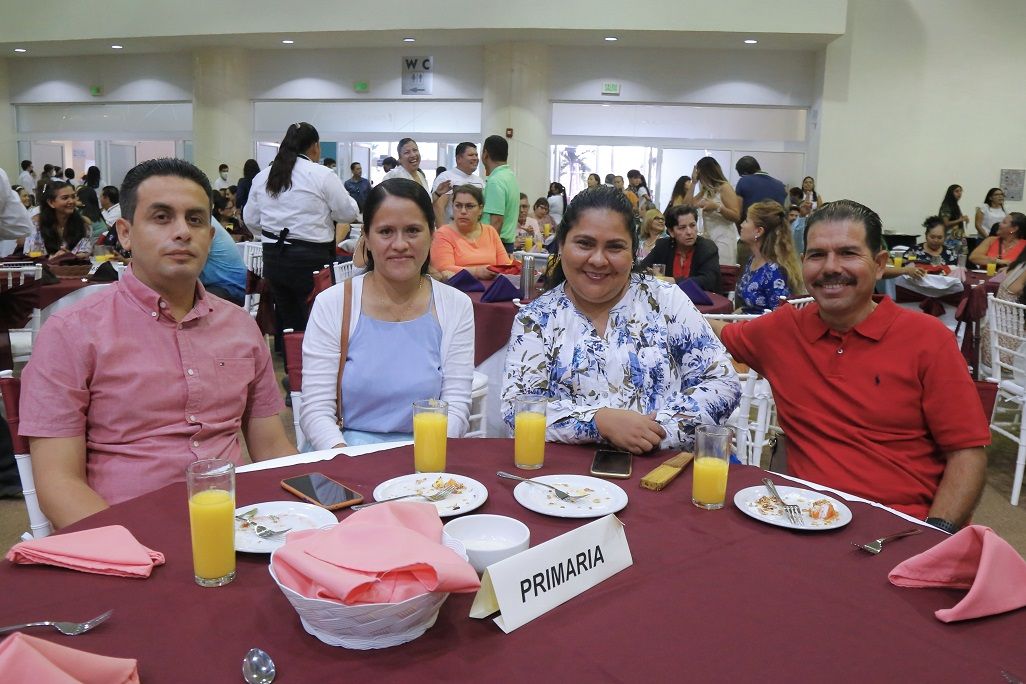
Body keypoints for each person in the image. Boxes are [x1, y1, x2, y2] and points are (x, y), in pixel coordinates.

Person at [20, 158, 295, 528]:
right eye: (162, 217)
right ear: (126, 233)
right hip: (124, 534)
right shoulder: (73, 332)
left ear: (210, 237)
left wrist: (313, 513)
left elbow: (273, 448)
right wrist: (133, 550)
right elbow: (58, 483)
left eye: (196, 219)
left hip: (234, 528)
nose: (182, 232)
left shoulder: (240, 327)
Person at [715, 200, 989, 527]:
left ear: (879, 264)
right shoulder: (783, 329)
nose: (831, 267)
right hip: (805, 521)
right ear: (803, 263)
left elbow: (967, 455)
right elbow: (713, 328)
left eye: (848, 253)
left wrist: (934, 535)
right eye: (817, 255)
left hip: (899, 529)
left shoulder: (929, 340)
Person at [501, 186, 740, 454]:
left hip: (664, 473)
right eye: (584, 244)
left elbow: (722, 383)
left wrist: (650, 432)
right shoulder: (537, 318)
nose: (598, 259)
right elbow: (517, 409)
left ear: (634, 251)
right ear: (561, 245)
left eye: (615, 247)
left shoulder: (665, 301)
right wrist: (598, 422)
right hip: (565, 484)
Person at [301, 178, 474, 449]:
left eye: (413, 230)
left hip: (426, 456)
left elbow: (456, 406)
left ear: (432, 233)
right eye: (385, 232)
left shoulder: (456, 306)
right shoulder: (332, 304)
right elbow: (316, 410)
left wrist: (427, 462)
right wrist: (345, 460)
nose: (400, 244)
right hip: (345, 454)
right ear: (366, 238)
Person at [244, 122, 360, 332]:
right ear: (315, 146)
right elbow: (348, 212)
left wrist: (274, 231)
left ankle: (291, 362)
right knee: (316, 318)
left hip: (274, 257)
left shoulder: (263, 176)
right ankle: (314, 362)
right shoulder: (321, 174)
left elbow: (251, 219)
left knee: (288, 318)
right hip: (311, 259)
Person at [430, 184, 511, 280]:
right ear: (452, 207)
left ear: (480, 209)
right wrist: (477, 272)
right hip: (458, 290)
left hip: (493, 289)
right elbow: (443, 269)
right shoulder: (443, 234)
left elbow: (505, 265)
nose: (463, 211)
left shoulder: (490, 231)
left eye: (469, 206)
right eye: (458, 206)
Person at [735, 200, 803, 313]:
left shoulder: (774, 273)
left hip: (762, 328)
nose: (741, 224)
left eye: (746, 220)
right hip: (746, 323)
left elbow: (779, 318)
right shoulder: (753, 260)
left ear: (759, 231)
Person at [640, 205, 720, 292]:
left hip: (700, 302)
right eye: (682, 228)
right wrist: (650, 273)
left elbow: (708, 281)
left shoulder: (707, 247)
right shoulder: (663, 245)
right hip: (669, 300)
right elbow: (641, 268)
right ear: (671, 232)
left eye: (692, 225)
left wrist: (671, 281)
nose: (689, 232)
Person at [686, 156, 742, 265]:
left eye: (700, 174)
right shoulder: (706, 190)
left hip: (724, 238)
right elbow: (687, 206)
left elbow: (736, 215)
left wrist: (717, 207)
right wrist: (693, 182)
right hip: (708, 238)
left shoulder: (724, 187)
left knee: (721, 270)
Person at [481, 134, 520, 253]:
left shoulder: (496, 180)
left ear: (485, 154)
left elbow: (497, 221)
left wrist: (489, 250)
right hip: (505, 244)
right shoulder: (510, 176)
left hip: (496, 243)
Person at [431, 142, 484, 226]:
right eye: (471, 155)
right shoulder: (446, 177)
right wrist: (442, 234)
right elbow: (438, 207)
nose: (475, 158)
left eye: (476, 155)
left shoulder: (480, 181)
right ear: (459, 158)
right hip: (451, 232)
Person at [36, 181, 92, 256]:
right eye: (65, 198)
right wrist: (53, 258)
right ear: (51, 203)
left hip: (74, 266)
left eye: (73, 197)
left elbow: (85, 252)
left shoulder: (84, 224)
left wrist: (68, 256)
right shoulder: (37, 224)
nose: (71, 201)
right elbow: (33, 253)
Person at [200, 218, 248, 306]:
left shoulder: (205, 224)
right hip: (220, 285)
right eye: (229, 208)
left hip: (231, 288)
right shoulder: (209, 219)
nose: (232, 210)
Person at [734, 155, 786, 222]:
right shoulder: (780, 185)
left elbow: (738, 213)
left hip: (753, 228)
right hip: (776, 228)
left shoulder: (743, 181)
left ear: (745, 173)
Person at [939, 184, 969, 254]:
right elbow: (946, 223)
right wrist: (960, 220)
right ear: (951, 193)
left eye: (961, 191)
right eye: (956, 191)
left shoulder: (955, 205)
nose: (959, 193)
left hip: (958, 237)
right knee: (951, 257)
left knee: (962, 258)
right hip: (950, 238)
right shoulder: (946, 205)